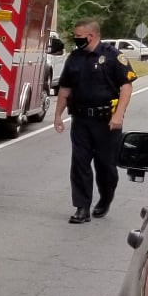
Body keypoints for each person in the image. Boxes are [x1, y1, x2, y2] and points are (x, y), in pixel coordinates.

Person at [53, 18, 135, 224]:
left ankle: (106, 197)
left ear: (91, 36)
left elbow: (126, 87)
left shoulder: (113, 56)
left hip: (106, 121)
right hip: (80, 119)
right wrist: (58, 116)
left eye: (78, 36)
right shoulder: (74, 58)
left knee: (106, 166)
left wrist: (119, 115)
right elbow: (65, 89)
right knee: (80, 163)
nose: (76, 40)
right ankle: (82, 207)